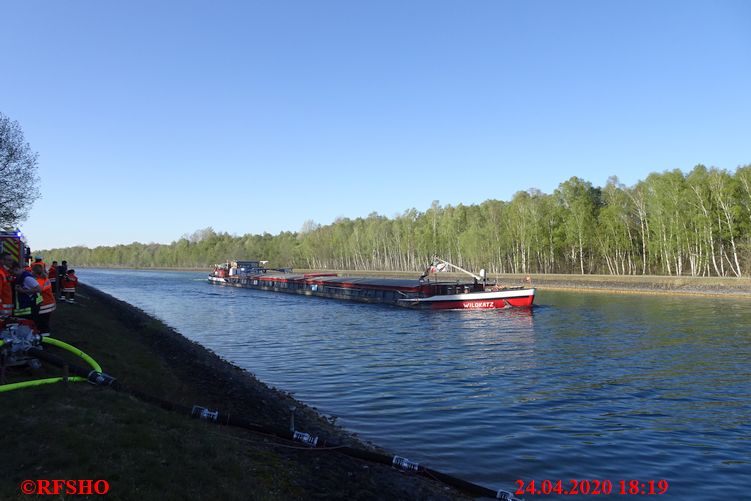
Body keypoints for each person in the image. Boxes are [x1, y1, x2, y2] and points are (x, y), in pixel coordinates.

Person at [10, 261, 42, 326]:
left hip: (28, 310)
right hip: (24, 309)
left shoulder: (27, 278)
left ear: (16, 269)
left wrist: (22, 291)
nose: (12, 274)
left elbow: (39, 289)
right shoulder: (19, 277)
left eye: (12, 272)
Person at [32, 264, 55, 335]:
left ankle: (44, 338)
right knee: (45, 322)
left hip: (44, 305)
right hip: (49, 303)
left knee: (42, 324)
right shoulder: (45, 279)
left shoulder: (39, 281)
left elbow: (37, 290)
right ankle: (44, 336)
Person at [0, 252, 14, 317]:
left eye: (11, 260)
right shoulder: (1, 274)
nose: (11, 262)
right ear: (2, 261)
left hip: (6, 310)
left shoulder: (6, 273)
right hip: (2, 311)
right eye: (9, 260)